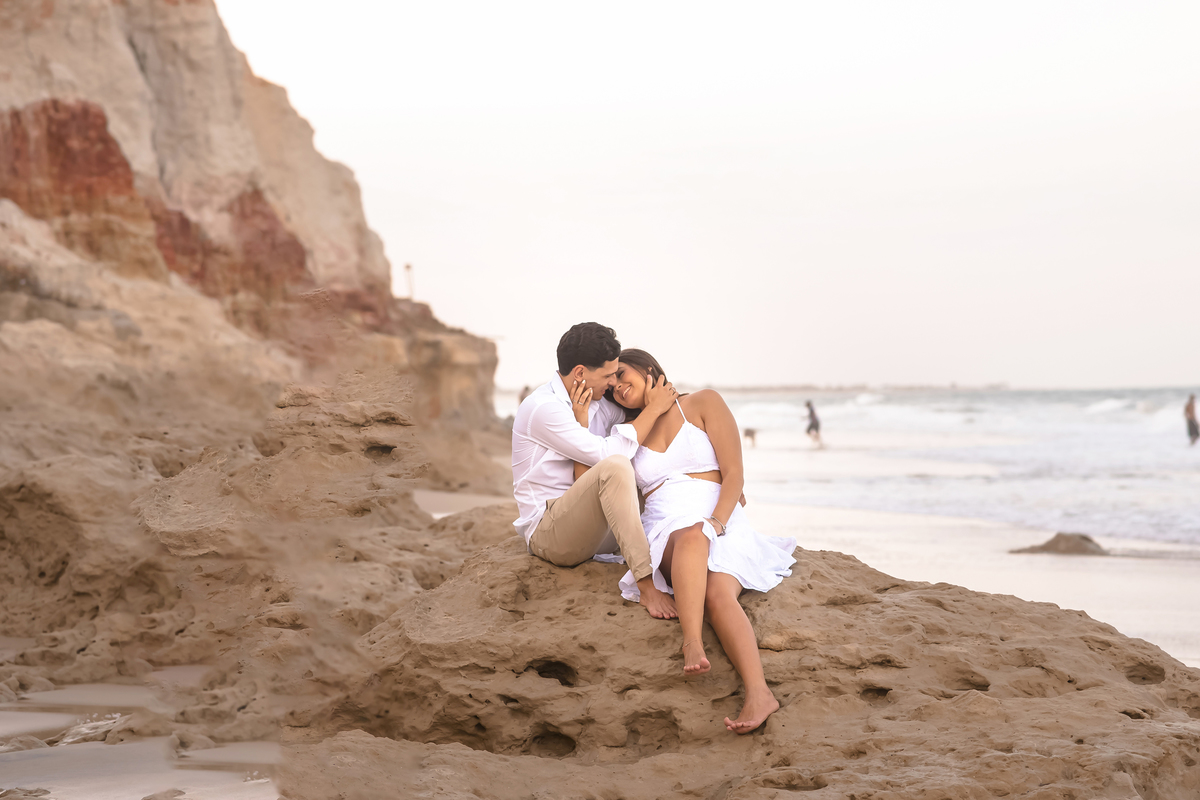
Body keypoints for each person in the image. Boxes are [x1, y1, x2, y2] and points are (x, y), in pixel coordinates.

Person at [579, 348, 796, 734]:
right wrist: (582, 422)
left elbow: (734, 474)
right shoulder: (628, 434)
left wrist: (718, 521)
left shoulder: (703, 402)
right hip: (665, 527)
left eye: (623, 375)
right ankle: (692, 643)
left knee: (718, 594)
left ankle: (759, 693)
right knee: (693, 539)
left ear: (648, 369)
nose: (617, 388)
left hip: (720, 519)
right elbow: (587, 481)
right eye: (611, 388)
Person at [511, 323, 683, 619]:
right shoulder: (543, 408)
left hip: (593, 530)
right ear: (580, 372)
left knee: (648, 471)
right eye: (607, 375)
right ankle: (646, 585)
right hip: (550, 533)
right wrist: (653, 410)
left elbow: (638, 420)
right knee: (617, 465)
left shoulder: (598, 403)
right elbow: (608, 456)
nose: (613, 383)